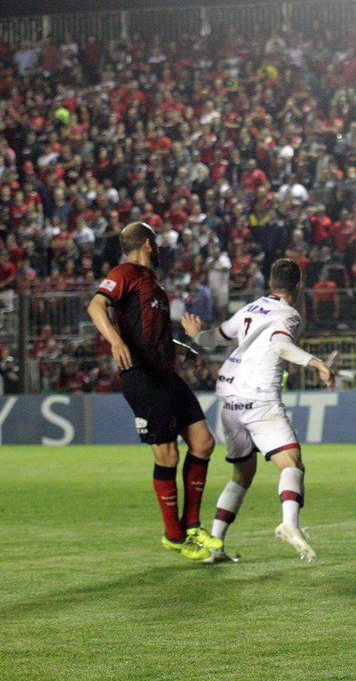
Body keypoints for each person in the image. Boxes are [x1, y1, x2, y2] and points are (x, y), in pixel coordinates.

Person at [86, 222, 222, 561]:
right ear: (147, 243)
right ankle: (174, 536)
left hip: (166, 372)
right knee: (167, 455)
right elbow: (95, 306)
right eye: (157, 243)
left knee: (204, 442)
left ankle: (192, 524)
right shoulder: (125, 272)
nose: (160, 248)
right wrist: (115, 340)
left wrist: (181, 347)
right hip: (142, 375)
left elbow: (150, 332)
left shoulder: (154, 283)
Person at [182, 259, 334, 563]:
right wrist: (315, 362)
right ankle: (290, 524)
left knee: (242, 474)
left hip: (231, 402)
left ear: (271, 283)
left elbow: (216, 337)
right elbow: (280, 345)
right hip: (259, 400)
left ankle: (215, 547)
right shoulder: (289, 315)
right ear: (299, 285)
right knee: (292, 464)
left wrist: (197, 335)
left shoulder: (252, 308)